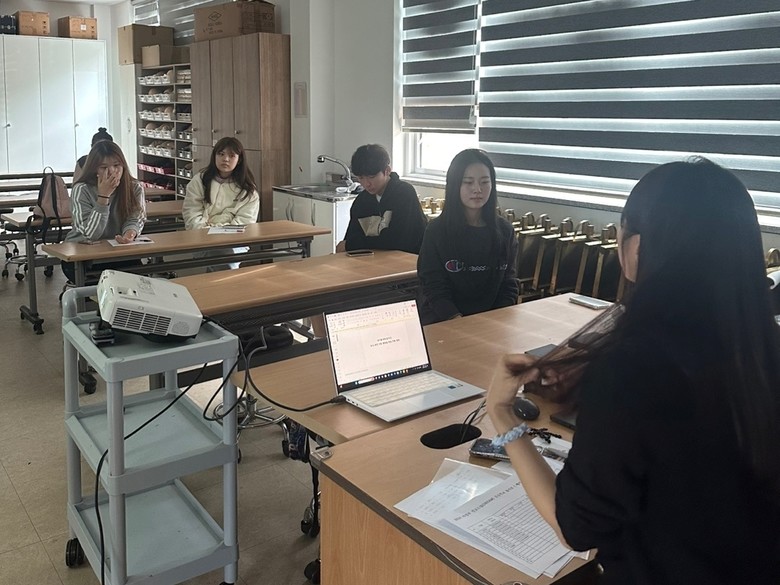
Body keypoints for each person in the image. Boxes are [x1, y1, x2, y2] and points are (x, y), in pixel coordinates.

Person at [486, 159, 780, 584]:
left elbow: (576, 528)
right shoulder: (760, 346)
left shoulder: (633, 370)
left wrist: (502, 416)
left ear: (636, 247)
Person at [416, 149, 519, 325]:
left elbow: (509, 285)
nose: (477, 189)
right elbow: (433, 287)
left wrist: (495, 321)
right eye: (468, 182)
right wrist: (458, 321)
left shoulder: (505, 231)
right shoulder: (436, 231)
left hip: (492, 325)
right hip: (445, 322)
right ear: (455, 185)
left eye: (484, 182)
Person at [62, 141, 146, 283]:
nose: (112, 171)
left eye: (117, 165)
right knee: (103, 289)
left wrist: (129, 235)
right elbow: (91, 234)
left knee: (139, 284)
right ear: (94, 169)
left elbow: (135, 218)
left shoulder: (134, 187)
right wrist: (104, 197)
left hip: (118, 252)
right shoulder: (81, 189)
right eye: (104, 167)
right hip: (83, 257)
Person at [182, 137, 260, 270]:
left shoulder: (248, 190)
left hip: (234, 242)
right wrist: (207, 232)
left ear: (239, 159)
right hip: (202, 238)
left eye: (231, 155)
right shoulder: (200, 181)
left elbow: (245, 222)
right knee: (220, 256)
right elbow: (192, 214)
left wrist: (217, 231)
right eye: (221, 154)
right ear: (214, 156)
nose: (226, 159)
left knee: (223, 254)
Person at [336, 144, 426, 254]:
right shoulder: (361, 201)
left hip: (407, 259)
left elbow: (399, 240)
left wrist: (353, 244)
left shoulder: (404, 193)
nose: (366, 184)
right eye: (361, 178)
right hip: (373, 260)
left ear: (387, 171)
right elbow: (351, 237)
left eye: (371, 177)